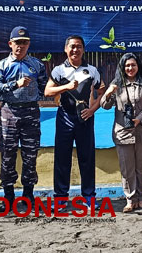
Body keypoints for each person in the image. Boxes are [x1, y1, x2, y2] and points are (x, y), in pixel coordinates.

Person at [0, 26, 47, 211]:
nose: (21, 46)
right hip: (10, 113)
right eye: (17, 43)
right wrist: (16, 84)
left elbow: (44, 87)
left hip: (31, 112)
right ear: (10, 44)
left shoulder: (37, 65)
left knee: (30, 155)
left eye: (24, 43)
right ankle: (8, 196)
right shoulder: (2, 66)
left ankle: (28, 194)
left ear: (28, 44)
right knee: (8, 155)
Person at [44, 35, 105, 205]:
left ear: (83, 49)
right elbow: (48, 92)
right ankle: (61, 198)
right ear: (66, 49)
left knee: (87, 158)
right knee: (62, 158)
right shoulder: (59, 70)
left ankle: (89, 196)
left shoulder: (92, 70)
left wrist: (92, 110)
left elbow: (103, 93)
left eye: (79, 46)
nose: (75, 50)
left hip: (85, 118)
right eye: (72, 46)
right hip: (65, 117)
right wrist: (66, 87)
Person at [101, 53, 142, 212]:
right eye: (127, 66)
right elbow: (104, 105)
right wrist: (109, 92)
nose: (130, 68)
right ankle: (130, 199)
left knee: (140, 167)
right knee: (127, 168)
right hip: (122, 133)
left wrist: (140, 118)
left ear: (138, 66)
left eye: (133, 65)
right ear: (122, 67)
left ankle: (140, 198)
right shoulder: (116, 84)